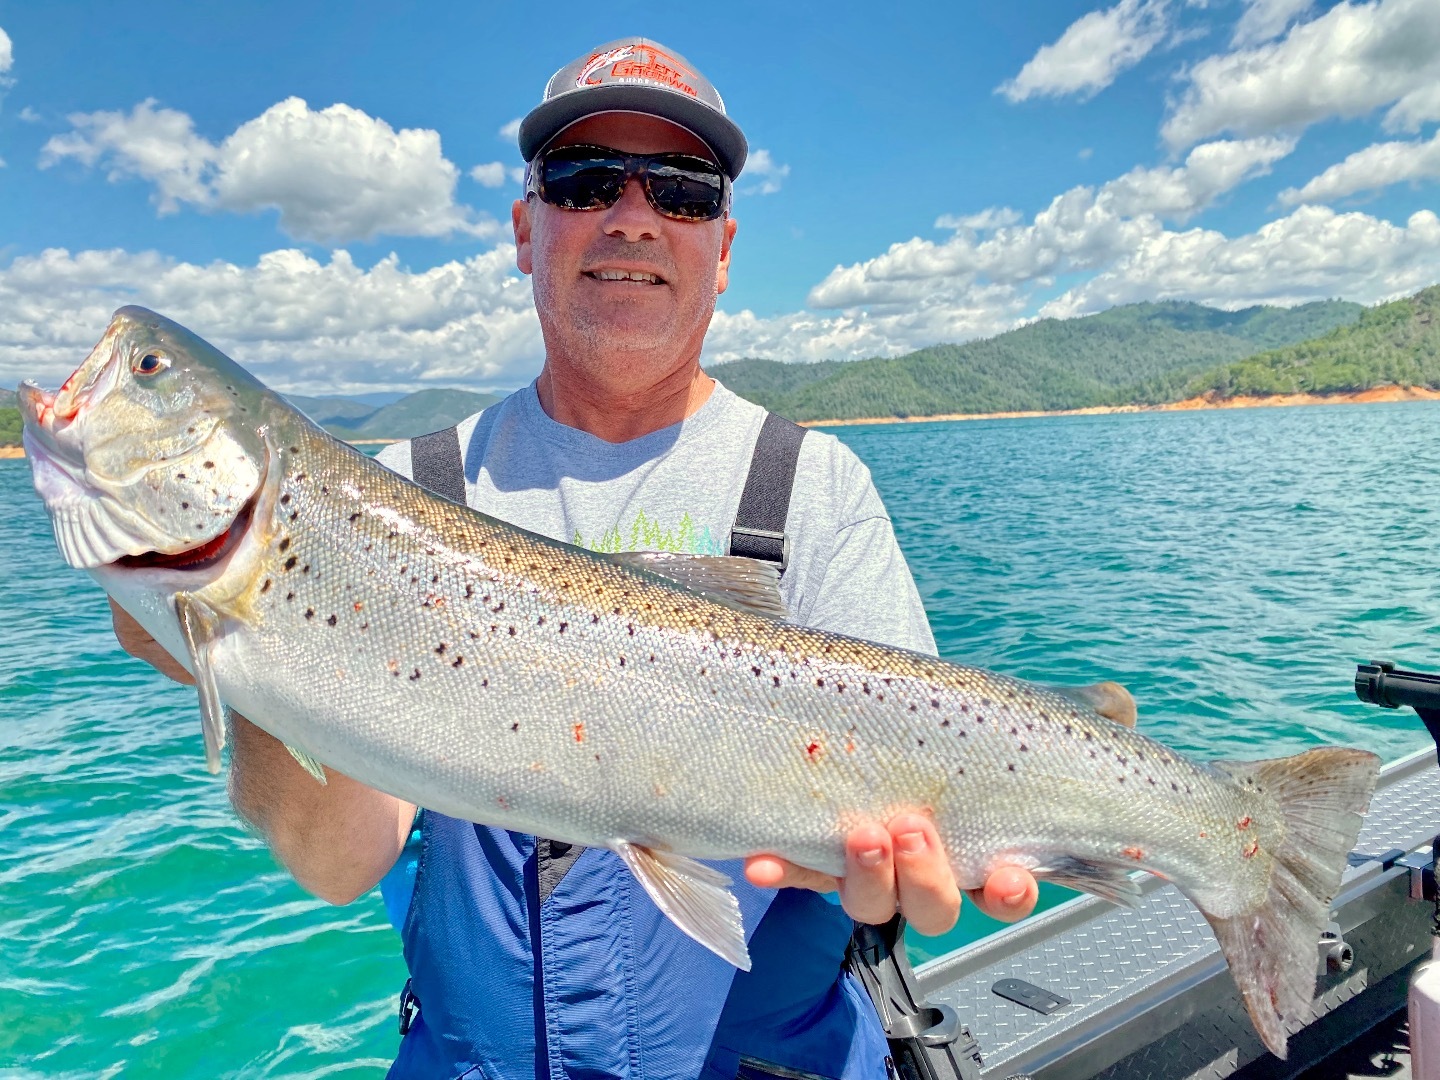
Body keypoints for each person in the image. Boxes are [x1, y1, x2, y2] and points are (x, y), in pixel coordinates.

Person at [111, 37, 1045, 1080]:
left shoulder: (817, 489)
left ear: (724, 248)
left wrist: (896, 869)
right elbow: (338, 863)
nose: (633, 216)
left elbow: (915, 798)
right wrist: (246, 651)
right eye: (586, 179)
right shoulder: (396, 493)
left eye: (683, 191)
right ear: (526, 228)